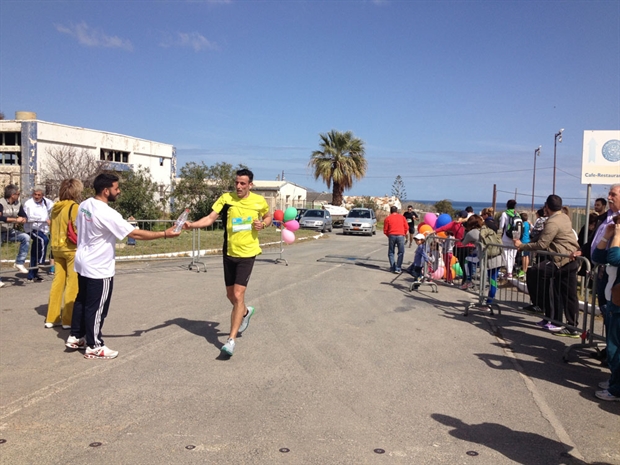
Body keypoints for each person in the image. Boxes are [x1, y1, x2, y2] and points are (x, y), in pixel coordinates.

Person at [65, 173, 181, 359]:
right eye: (116, 188)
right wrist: (165, 234)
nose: (119, 191)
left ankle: (76, 336)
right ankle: (94, 345)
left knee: (82, 300)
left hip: (83, 261)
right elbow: (134, 234)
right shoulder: (107, 213)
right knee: (96, 307)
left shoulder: (85, 204)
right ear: (106, 190)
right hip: (98, 266)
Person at [184, 169, 271, 357]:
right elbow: (210, 218)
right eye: (237, 183)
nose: (238, 186)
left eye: (243, 183)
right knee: (230, 295)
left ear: (250, 185)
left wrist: (263, 224)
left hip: (248, 253)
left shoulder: (259, 201)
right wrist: (191, 225)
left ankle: (231, 340)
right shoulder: (226, 199)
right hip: (229, 252)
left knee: (239, 294)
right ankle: (246, 312)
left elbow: (268, 216)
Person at [515, 195, 581, 337]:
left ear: (547, 207)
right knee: (556, 290)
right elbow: (541, 238)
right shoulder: (563, 217)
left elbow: (542, 244)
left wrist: (523, 246)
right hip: (562, 259)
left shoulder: (553, 222)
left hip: (564, 259)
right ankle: (554, 320)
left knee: (536, 273)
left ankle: (543, 307)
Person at [45, 179, 83, 329]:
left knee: (57, 282)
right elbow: (77, 227)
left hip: (56, 247)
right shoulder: (74, 207)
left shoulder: (55, 208)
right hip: (71, 248)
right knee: (72, 284)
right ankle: (68, 319)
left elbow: (52, 227)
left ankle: (52, 317)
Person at [591, 215, 620, 401]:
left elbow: (614, 258)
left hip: (618, 301)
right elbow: (597, 256)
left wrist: (616, 236)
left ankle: (616, 389)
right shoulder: (615, 239)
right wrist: (606, 236)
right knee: (612, 347)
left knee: (616, 348)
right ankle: (614, 380)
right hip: (613, 298)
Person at [23, 186, 54, 283]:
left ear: (42, 195)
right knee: (44, 240)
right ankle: (41, 261)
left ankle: (32, 275)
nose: (36, 197)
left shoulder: (46, 202)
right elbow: (29, 216)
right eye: (35, 194)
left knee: (35, 251)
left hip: (43, 229)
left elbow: (53, 207)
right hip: (32, 228)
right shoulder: (28, 204)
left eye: (39, 195)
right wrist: (45, 220)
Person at [0, 184, 31, 274]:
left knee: (25, 237)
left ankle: (19, 262)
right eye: (18, 193)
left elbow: (23, 215)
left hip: (10, 231)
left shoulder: (18, 204)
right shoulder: (1, 203)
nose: (19, 195)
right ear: (12, 195)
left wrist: (24, 219)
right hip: (0, 230)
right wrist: (15, 220)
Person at [435, 210, 471, 286]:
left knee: (463, 264)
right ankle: (467, 280)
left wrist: (434, 231)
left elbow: (443, 228)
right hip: (469, 246)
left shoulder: (455, 224)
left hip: (461, 246)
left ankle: (466, 280)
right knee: (467, 264)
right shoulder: (467, 223)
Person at [498, 200, 521, 279]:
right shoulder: (517, 214)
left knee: (506, 254)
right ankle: (510, 271)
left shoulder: (505, 214)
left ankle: (509, 272)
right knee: (513, 255)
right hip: (516, 236)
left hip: (507, 236)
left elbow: (501, 226)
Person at [383, 205, 409, 273]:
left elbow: (385, 230)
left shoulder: (388, 218)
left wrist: (389, 235)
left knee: (391, 252)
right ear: (397, 211)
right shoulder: (402, 217)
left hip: (391, 235)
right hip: (401, 235)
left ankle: (392, 267)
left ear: (390, 211)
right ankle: (398, 267)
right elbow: (406, 227)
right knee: (401, 252)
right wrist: (404, 233)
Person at [518, 212, 532, 279]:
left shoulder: (522, 224)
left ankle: (524, 270)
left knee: (523, 256)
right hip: (528, 240)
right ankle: (526, 269)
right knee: (527, 256)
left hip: (523, 241)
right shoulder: (528, 224)